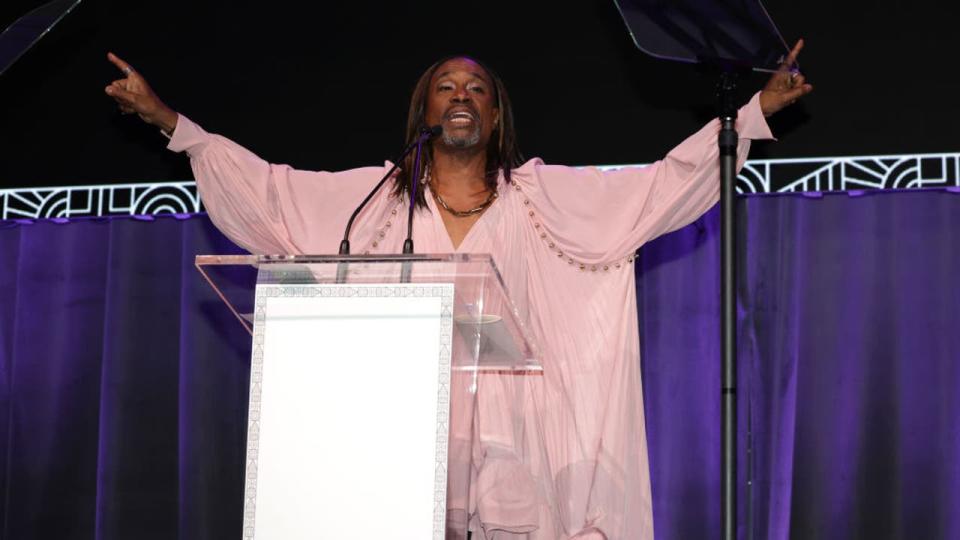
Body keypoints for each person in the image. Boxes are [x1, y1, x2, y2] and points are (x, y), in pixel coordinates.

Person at [105, 46, 812, 540]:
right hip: (399, 458)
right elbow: (268, 192)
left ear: (496, 118)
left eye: (477, 90)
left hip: (521, 457)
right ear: (425, 115)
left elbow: (659, 186)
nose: (462, 97)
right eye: (447, 88)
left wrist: (750, 115)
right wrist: (170, 121)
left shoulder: (545, 200)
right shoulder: (370, 206)